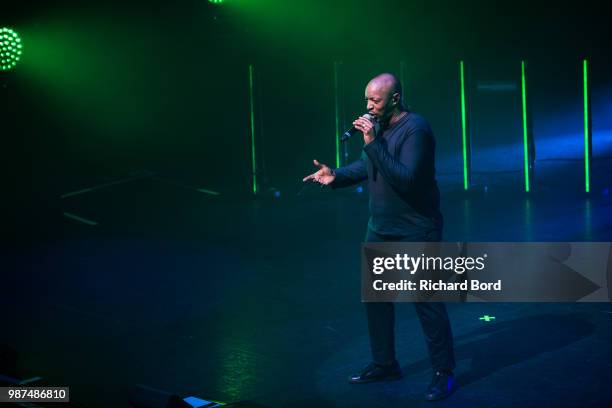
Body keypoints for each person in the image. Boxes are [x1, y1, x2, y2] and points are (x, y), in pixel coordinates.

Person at [303, 73, 456, 401]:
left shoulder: (416, 129)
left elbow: (407, 180)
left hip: (417, 228)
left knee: (426, 302)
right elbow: (365, 166)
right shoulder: (380, 127)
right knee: (377, 300)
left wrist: (373, 142)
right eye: (366, 100)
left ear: (395, 99)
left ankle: (444, 372)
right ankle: (385, 363)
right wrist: (336, 175)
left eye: (376, 101)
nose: (369, 107)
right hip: (381, 227)